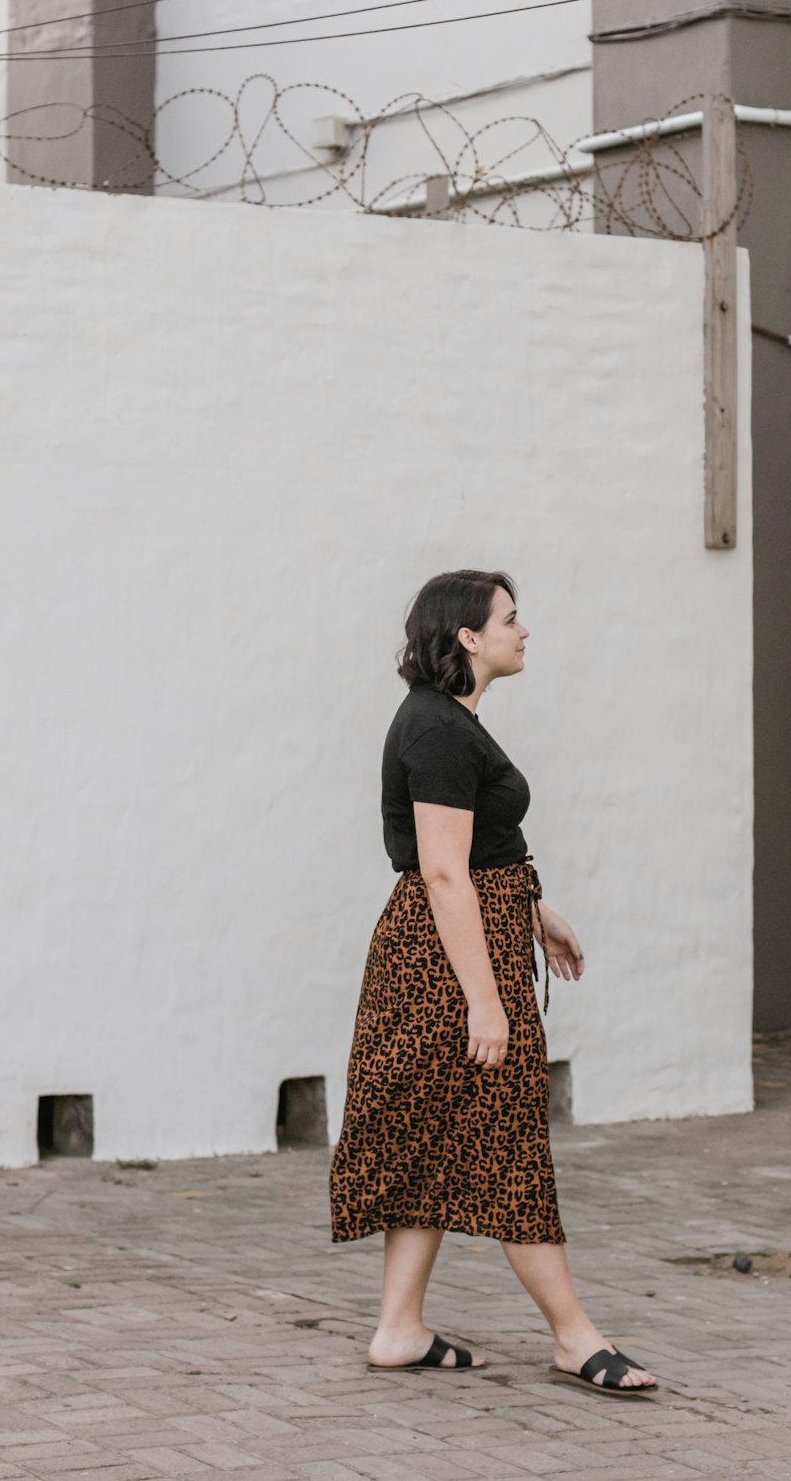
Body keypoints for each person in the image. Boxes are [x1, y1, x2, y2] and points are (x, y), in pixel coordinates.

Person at [329, 569, 657, 1396]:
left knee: (436, 1137)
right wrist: (486, 996)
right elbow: (443, 872)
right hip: (446, 963)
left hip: (466, 942)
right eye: (511, 619)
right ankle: (575, 1338)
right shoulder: (438, 729)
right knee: (509, 1142)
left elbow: (479, 847)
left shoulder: (451, 721)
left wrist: (535, 908)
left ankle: (400, 1329)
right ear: (468, 638)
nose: (524, 630)